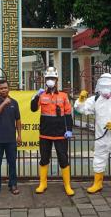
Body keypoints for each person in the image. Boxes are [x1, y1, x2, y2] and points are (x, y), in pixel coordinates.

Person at [74, 73, 111, 198]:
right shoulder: (95, 100)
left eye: (108, 86)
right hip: (101, 137)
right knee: (99, 160)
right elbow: (80, 109)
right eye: (103, 86)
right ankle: (97, 184)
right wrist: (81, 99)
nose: (105, 88)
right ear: (99, 87)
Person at [31, 67, 74, 196]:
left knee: (63, 158)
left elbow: (68, 115)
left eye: (52, 79)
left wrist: (70, 130)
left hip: (60, 133)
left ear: (57, 80)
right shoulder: (41, 95)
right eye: (48, 79)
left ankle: (67, 185)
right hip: (45, 133)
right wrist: (35, 96)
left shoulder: (63, 96)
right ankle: (43, 183)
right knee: (44, 158)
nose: (50, 81)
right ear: (45, 80)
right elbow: (33, 109)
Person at [0, 79, 22, 195]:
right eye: (1, 88)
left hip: (11, 139)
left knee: (12, 163)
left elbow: (18, 120)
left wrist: (19, 135)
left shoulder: (15, 102)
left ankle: (13, 184)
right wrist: (3, 104)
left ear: (9, 89)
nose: (4, 90)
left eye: (5, 88)